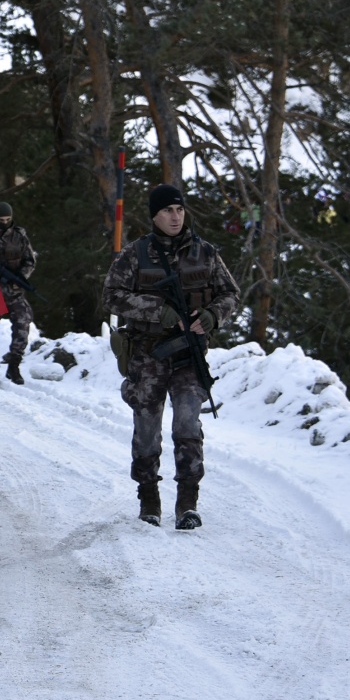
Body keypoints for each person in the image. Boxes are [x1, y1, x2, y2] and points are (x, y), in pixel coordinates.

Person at [103, 184, 238, 529]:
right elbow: (111, 296)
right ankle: (149, 499)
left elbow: (229, 294)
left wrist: (211, 316)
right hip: (148, 354)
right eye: (167, 211)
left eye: (179, 210)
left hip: (189, 356)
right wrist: (155, 310)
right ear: (154, 216)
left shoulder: (205, 253)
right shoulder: (135, 254)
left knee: (188, 424)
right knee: (147, 427)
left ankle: (187, 504)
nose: (175, 217)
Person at [0, 201, 38, 385]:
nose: (4, 222)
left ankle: (14, 365)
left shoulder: (19, 236)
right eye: (0, 219)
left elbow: (30, 260)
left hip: (14, 292)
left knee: (23, 325)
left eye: (8, 219)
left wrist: (20, 276)